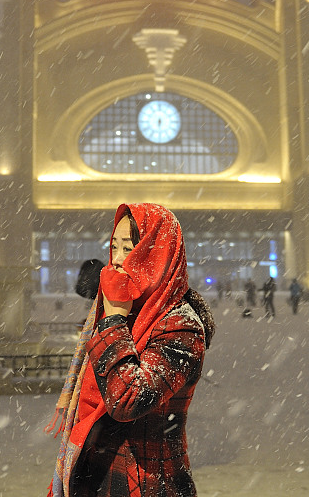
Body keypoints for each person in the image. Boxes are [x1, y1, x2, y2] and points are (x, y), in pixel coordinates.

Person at [47, 203, 215, 497]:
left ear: (156, 255)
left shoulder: (181, 326)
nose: (119, 261)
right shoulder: (128, 312)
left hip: (145, 482)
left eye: (131, 249)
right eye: (114, 248)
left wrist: (113, 322)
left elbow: (129, 400)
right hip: (95, 475)